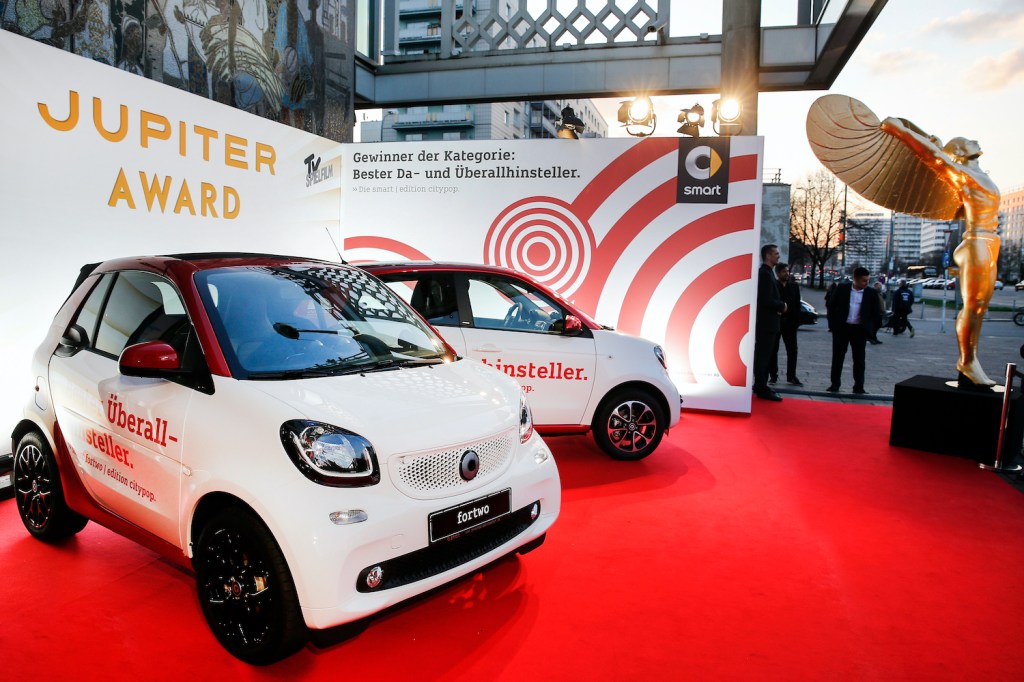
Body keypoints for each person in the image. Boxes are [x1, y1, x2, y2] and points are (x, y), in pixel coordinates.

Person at [881, 118, 999, 387]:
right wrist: (900, 130)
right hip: (977, 241)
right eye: (966, 140)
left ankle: (971, 358)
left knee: (980, 306)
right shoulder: (963, 176)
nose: (974, 141)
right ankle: (967, 361)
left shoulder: (981, 175)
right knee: (972, 305)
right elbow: (932, 156)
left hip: (991, 243)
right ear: (958, 153)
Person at [825, 266, 882, 394]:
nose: (866, 283)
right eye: (863, 281)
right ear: (855, 279)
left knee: (859, 359)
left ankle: (859, 386)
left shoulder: (871, 293)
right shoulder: (842, 289)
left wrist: (870, 330)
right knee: (838, 357)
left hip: (859, 330)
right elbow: (831, 306)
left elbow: (876, 313)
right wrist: (833, 325)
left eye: (868, 280)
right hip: (842, 329)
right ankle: (835, 384)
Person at [753, 244, 786, 401]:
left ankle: (761, 384)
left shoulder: (768, 273)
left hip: (769, 323)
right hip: (766, 323)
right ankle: (761, 387)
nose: (778, 256)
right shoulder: (765, 275)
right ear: (767, 255)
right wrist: (782, 306)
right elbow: (766, 300)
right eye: (776, 253)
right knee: (763, 356)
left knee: (765, 355)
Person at [769, 262, 803, 386]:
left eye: (787, 271)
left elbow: (797, 304)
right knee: (773, 350)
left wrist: (796, 322)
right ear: (778, 273)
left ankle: (791, 376)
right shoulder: (774, 285)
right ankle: (773, 375)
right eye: (784, 271)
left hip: (790, 324)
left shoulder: (794, 286)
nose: (787, 273)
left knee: (792, 350)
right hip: (777, 323)